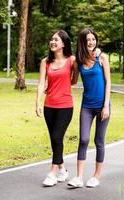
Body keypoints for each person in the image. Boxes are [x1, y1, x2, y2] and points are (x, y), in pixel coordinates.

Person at [68, 28, 111, 188]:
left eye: (93, 39)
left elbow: (108, 82)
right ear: (82, 43)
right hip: (86, 106)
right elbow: (72, 81)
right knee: (83, 139)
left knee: (99, 140)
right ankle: (79, 177)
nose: (91, 42)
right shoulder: (78, 62)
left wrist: (106, 105)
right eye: (88, 40)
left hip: (102, 106)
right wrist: (51, 82)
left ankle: (96, 176)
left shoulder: (102, 57)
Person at [36, 29, 78, 187]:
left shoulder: (72, 60)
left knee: (57, 137)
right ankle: (62, 169)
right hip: (49, 106)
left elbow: (74, 80)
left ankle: (52, 173)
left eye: (56, 40)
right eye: (51, 39)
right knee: (54, 139)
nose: (52, 42)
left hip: (65, 106)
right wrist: (38, 102)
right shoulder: (45, 62)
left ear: (64, 43)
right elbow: (41, 83)